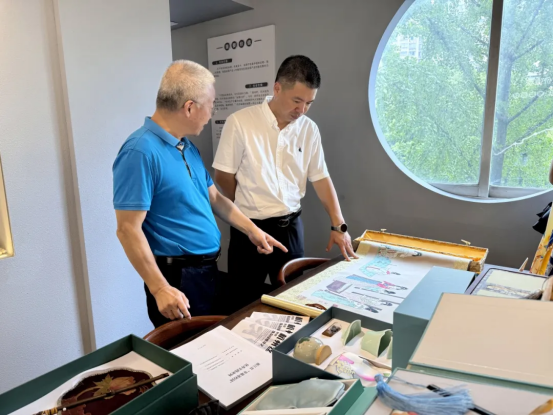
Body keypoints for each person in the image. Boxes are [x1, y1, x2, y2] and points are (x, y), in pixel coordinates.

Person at [113, 60, 287, 328]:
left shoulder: (186, 147)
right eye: (211, 104)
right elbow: (127, 229)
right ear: (190, 107)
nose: (212, 113)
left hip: (207, 271)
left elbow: (214, 198)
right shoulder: (139, 152)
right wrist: (160, 288)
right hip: (178, 279)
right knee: (192, 349)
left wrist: (252, 230)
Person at [213, 55, 357, 311]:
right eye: (297, 101)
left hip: (289, 227)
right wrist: (245, 203)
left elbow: (321, 177)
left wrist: (339, 225)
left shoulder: (308, 129)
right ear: (277, 88)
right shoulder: (241, 122)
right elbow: (223, 176)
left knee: (293, 300)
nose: (302, 110)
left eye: (309, 103)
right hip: (249, 229)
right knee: (243, 303)